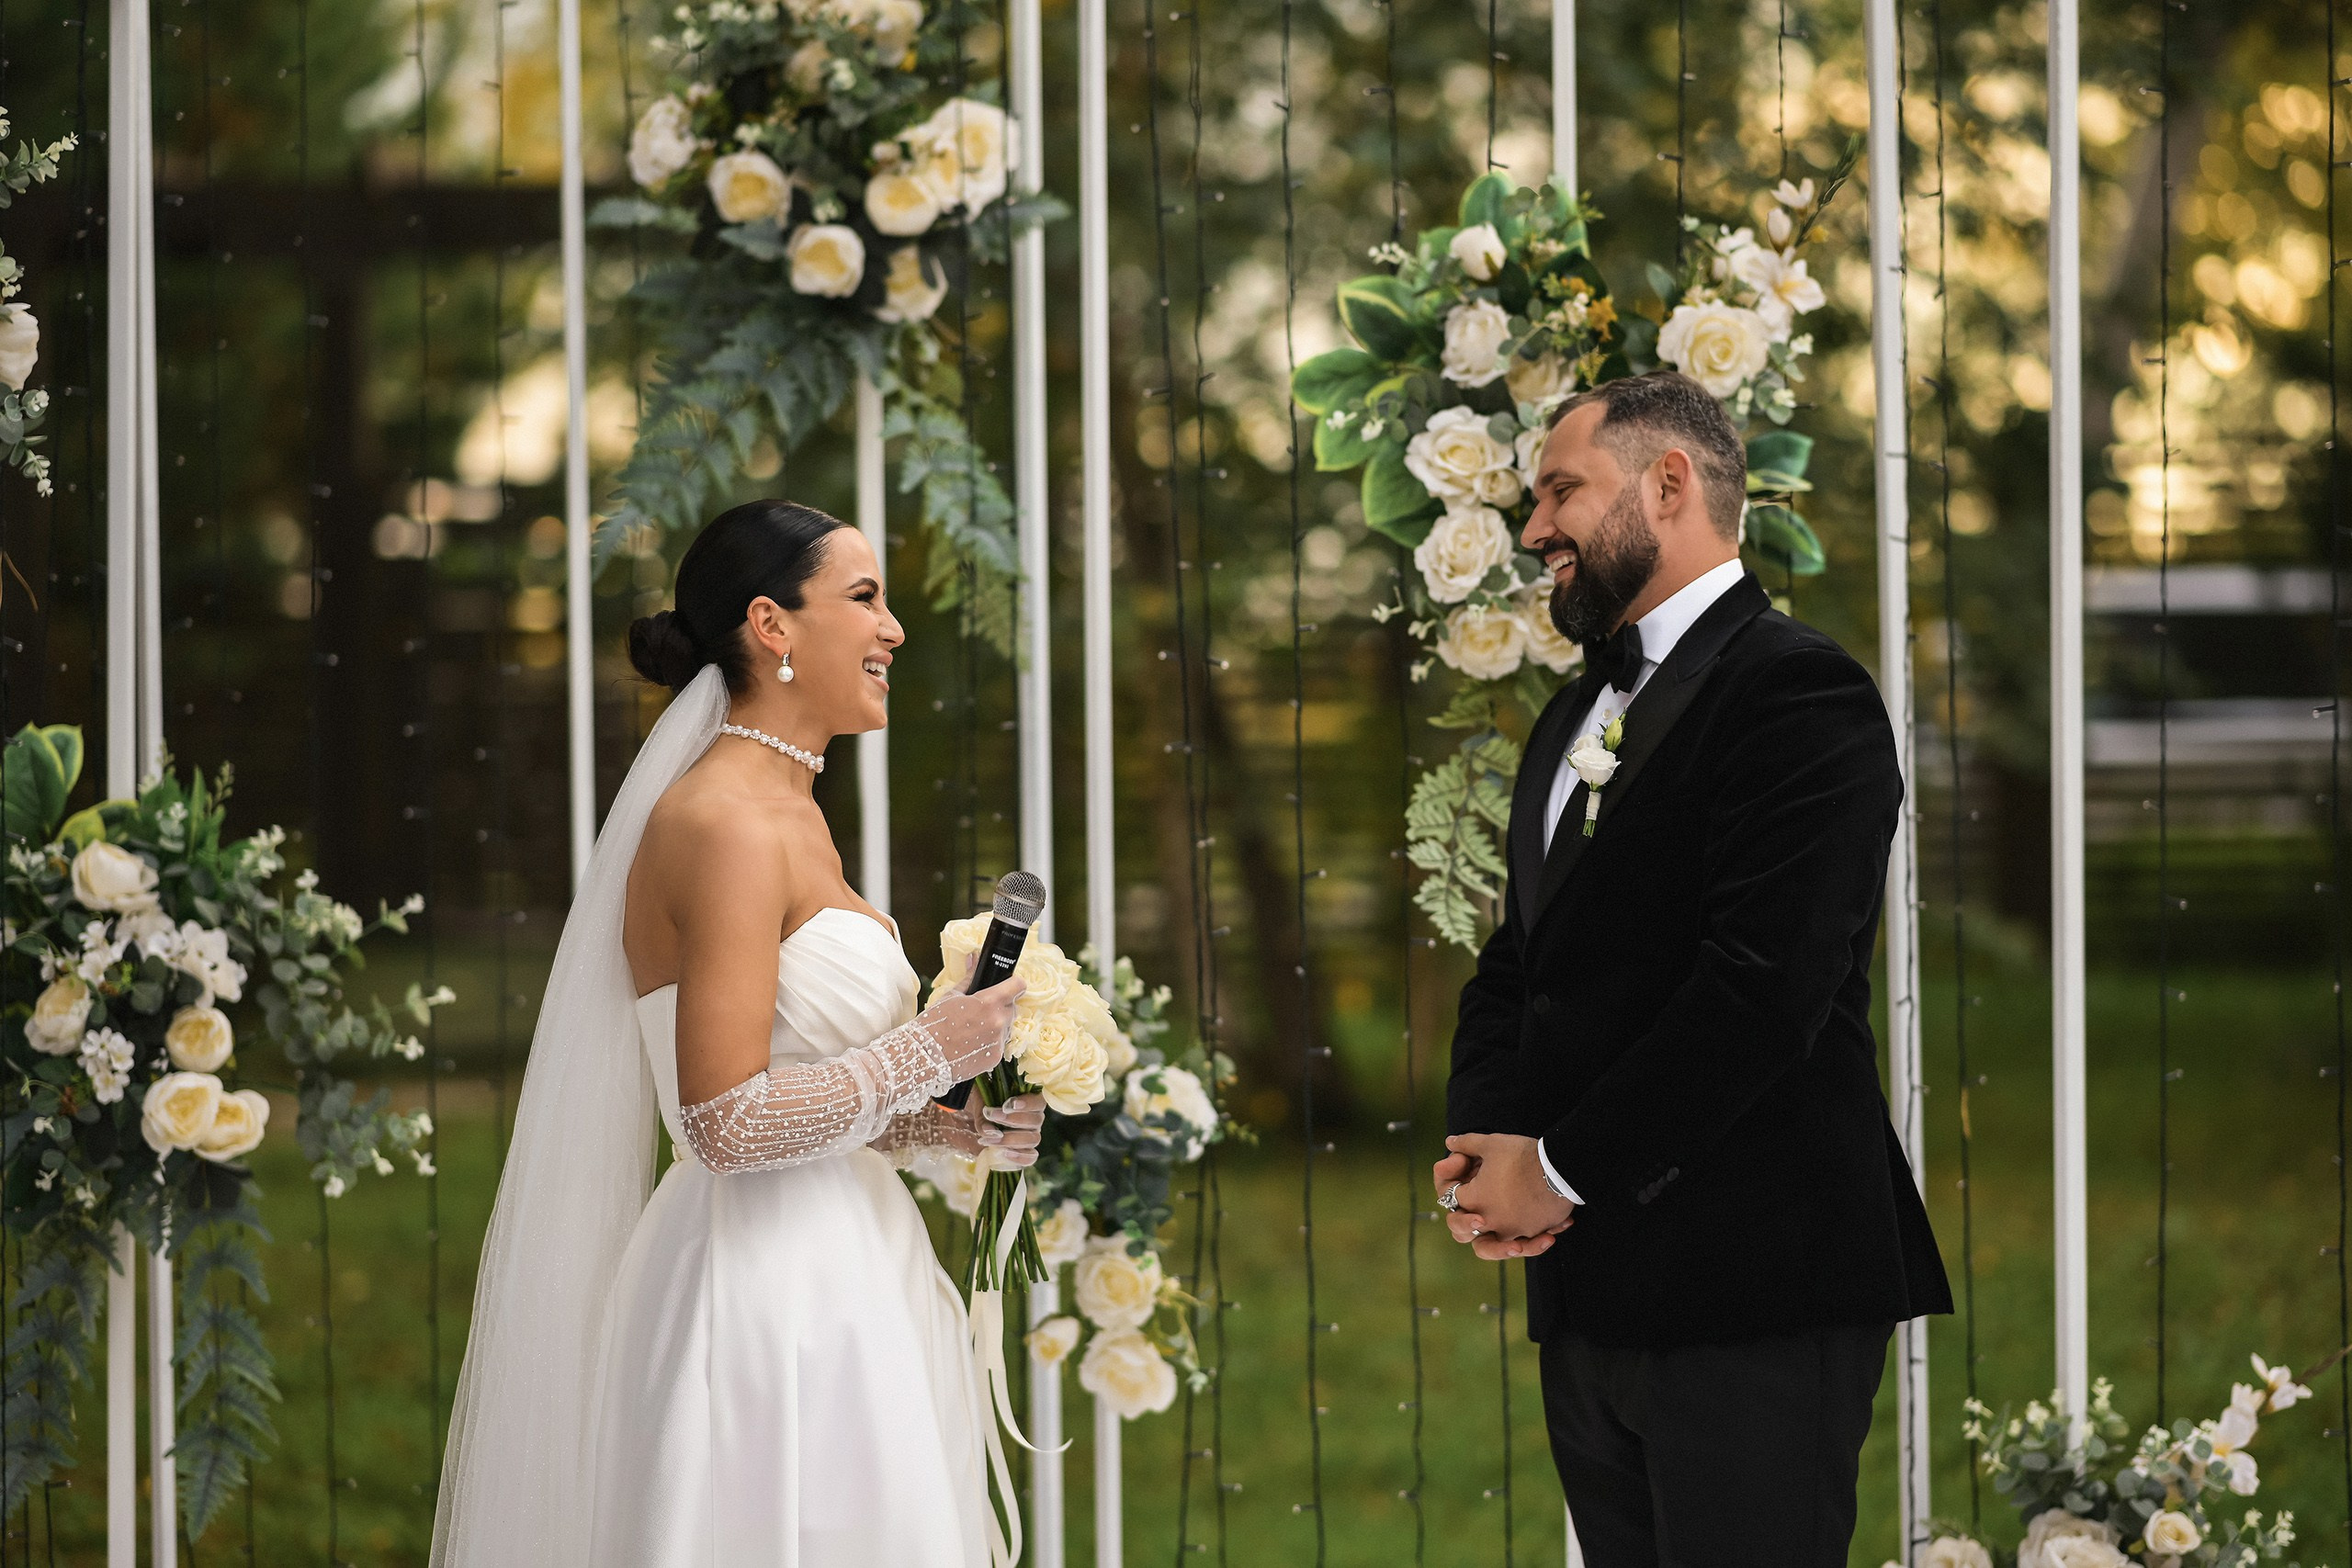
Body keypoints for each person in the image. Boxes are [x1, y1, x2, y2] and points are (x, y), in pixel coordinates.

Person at [433, 500, 1039, 1568]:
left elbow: (803, 1089)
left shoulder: (789, 810)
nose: (894, 629)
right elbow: (720, 1122)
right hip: (767, 1305)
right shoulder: (722, 822)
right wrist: (927, 1051)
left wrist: (950, 1125)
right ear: (772, 626)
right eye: (865, 598)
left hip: (851, 1278)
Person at [1434, 372, 1952, 1568]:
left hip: (1755, 1280)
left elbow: (1761, 989)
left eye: (1562, 489)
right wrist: (1488, 1145)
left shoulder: (1798, 692)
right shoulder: (1569, 721)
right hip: (1593, 1288)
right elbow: (1522, 966)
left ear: (1670, 483)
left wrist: (1558, 1167)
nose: (1534, 528)